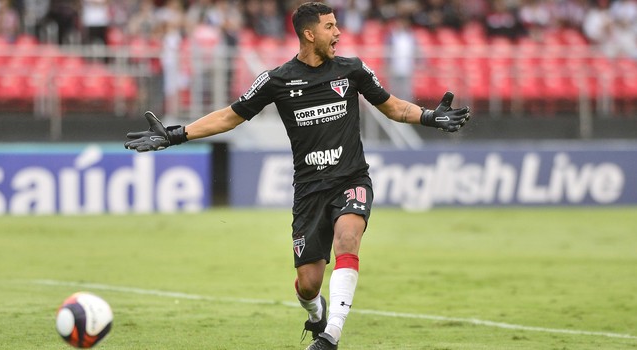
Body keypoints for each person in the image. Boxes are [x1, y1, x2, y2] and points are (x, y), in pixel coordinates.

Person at [124, 2, 470, 349]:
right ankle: (316, 312)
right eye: (330, 26)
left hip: (351, 179)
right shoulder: (277, 79)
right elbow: (231, 116)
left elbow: (392, 106)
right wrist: (175, 134)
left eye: (336, 25)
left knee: (348, 239)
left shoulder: (352, 70)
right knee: (308, 284)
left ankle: (330, 335)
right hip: (309, 192)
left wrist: (429, 117)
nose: (338, 33)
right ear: (309, 34)